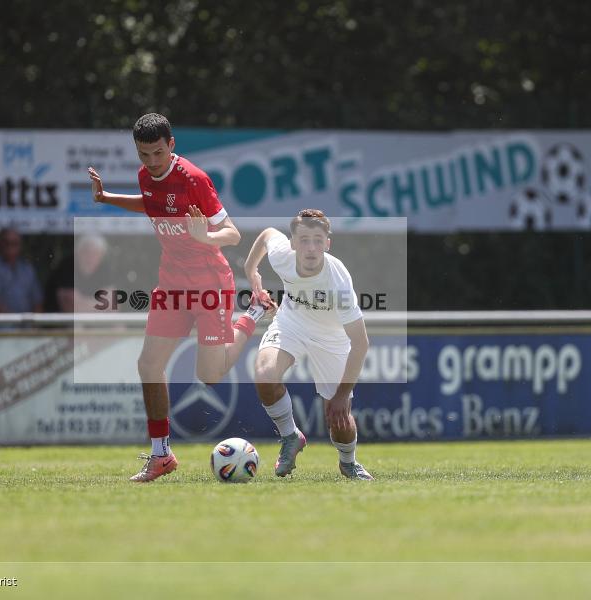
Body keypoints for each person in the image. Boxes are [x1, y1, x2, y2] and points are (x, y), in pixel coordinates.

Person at [88, 113, 272, 482]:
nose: (152, 162)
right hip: (172, 284)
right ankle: (161, 455)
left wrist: (206, 237)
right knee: (148, 365)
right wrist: (107, 198)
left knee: (209, 375)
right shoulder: (145, 176)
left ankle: (252, 313)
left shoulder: (194, 179)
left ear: (171, 145)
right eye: (144, 155)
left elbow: (232, 233)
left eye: (158, 153)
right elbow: (151, 204)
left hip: (210, 285)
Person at [244, 209, 374, 480]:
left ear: (328, 243)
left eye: (318, 240)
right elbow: (268, 234)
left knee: (338, 419)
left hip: (331, 338)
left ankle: (348, 462)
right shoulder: (282, 256)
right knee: (265, 376)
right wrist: (251, 270)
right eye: (304, 240)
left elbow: (361, 343)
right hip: (291, 323)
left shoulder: (337, 280)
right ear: (293, 243)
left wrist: (342, 395)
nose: (311, 247)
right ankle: (291, 436)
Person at [0, 227, 43, 313]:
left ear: (20, 245)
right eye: (6, 243)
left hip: (27, 319)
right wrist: (12, 319)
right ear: (0, 243)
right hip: (2, 319)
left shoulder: (27, 268)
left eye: (14, 243)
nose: (10, 247)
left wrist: (34, 319)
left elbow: (37, 300)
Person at [43, 234, 108, 312]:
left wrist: (84, 303)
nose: (91, 257)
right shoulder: (67, 267)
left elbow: (112, 303)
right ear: (78, 253)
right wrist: (99, 304)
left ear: (102, 256)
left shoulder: (104, 269)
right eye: (87, 252)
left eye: (96, 253)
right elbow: (71, 306)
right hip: (57, 318)